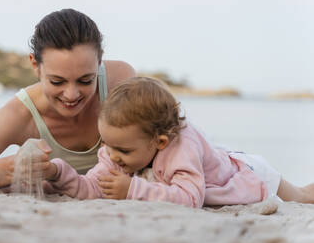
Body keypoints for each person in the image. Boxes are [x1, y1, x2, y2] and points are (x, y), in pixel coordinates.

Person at [0, 8, 136, 194]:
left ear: (99, 60)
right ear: (35, 65)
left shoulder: (121, 83)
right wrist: (13, 168)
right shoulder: (20, 115)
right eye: (57, 81)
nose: (71, 94)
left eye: (86, 80)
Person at [44, 77, 314, 208]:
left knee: (302, 197)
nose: (111, 156)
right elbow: (91, 187)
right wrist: (57, 173)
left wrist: (132, 188)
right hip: (218, 161)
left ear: (160, 142)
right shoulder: (117, 150)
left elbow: (190, 198)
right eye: (108, 144)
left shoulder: (181, 149)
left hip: (249, 174)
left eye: (123, 150)